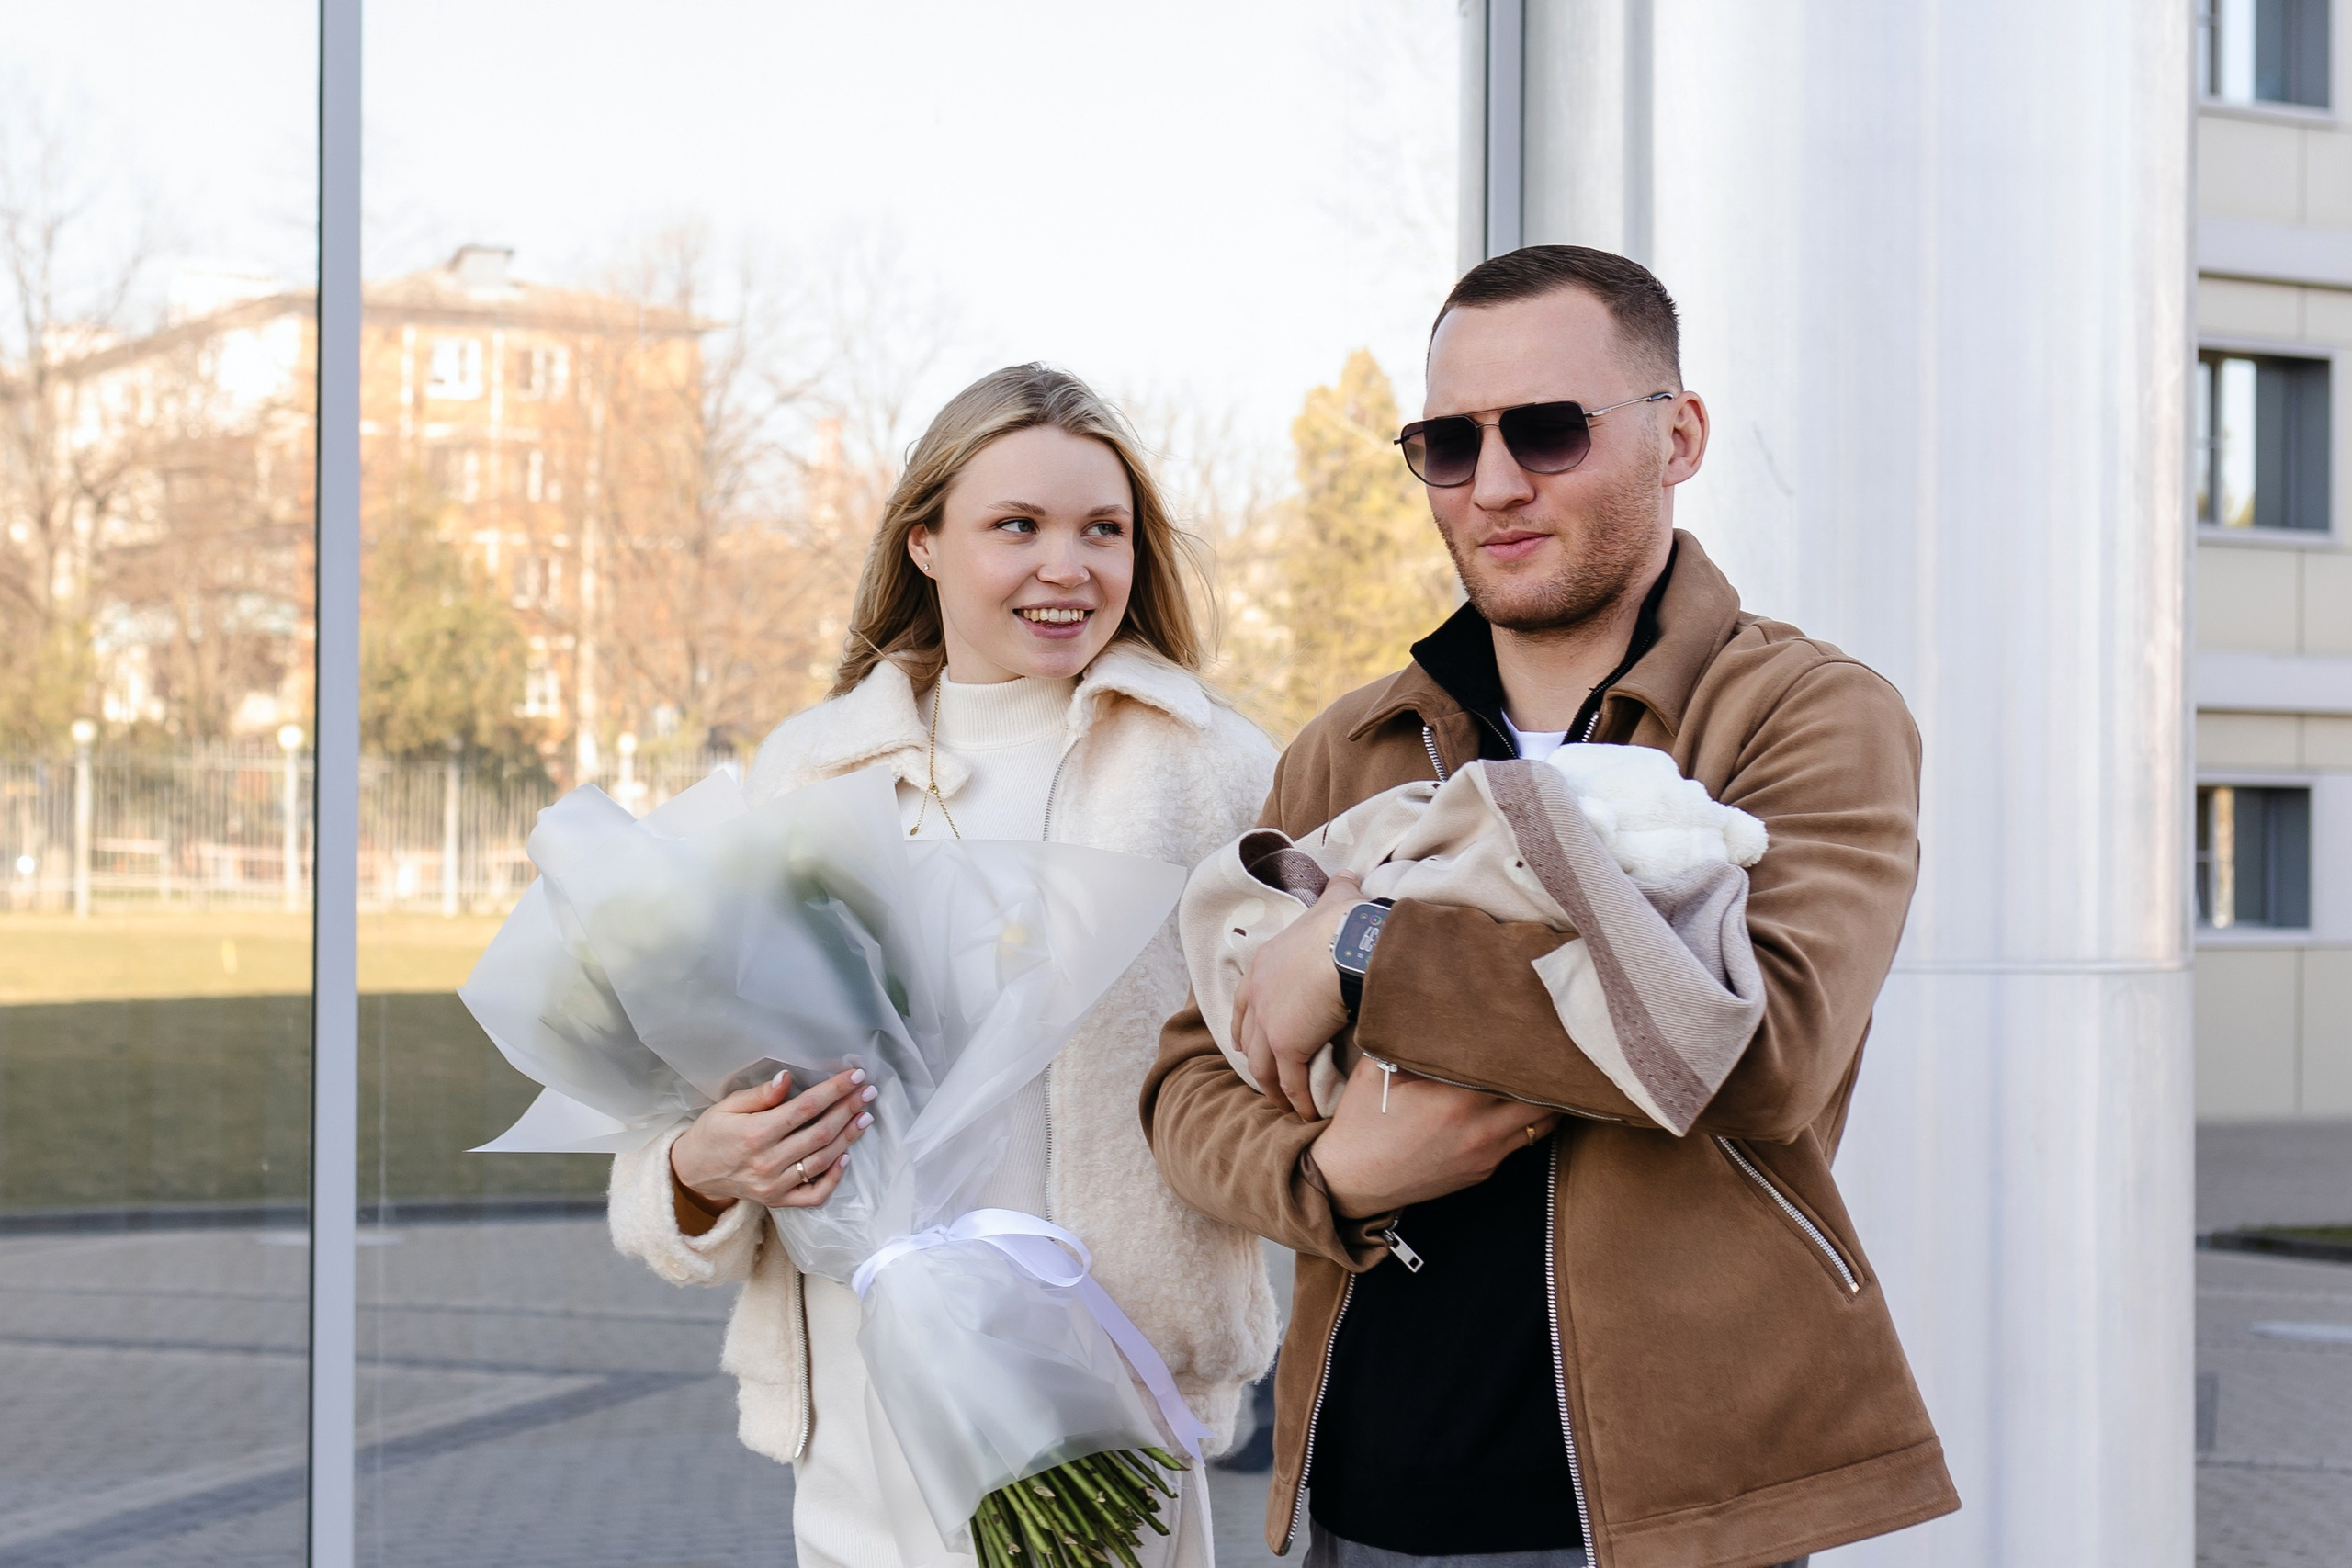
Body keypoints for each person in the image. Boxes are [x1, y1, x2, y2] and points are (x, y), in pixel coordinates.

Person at [1143, 246, 1962, 1568]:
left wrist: (1361, 948)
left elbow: (1758, 1059)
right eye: (1448, 446)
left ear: (1677, 434)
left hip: (1665, 1523)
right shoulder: (1353, 745)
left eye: (1547, 430)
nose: (1498, 484)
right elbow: (1189, 1080)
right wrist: (1327, 1174)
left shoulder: (1805, 715)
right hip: (1361, 1502)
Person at [610, 363, 1281, 1568]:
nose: (1066, 566)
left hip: (1102, 1407)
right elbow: (676, 1120)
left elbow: (1278, 1076)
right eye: (1015, 526)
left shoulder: (1216, 776)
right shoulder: (806, 779)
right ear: (923, 541)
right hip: (860, 1416)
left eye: (1103, 530)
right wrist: (700, 1169)